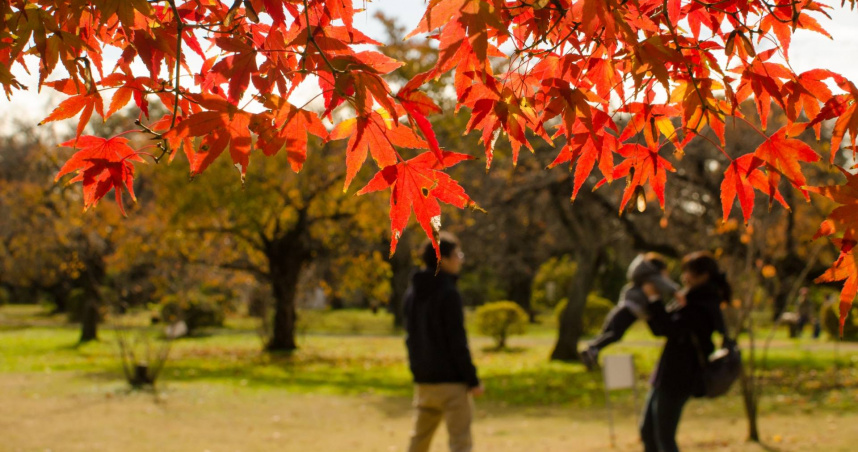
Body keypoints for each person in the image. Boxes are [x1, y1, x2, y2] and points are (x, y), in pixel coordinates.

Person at [639, 251, 729, 452]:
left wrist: (654, 299)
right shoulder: (689, 297)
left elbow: (670, 328)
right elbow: (660, 328)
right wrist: (651, 305)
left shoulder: (703, 303)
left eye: (688, 272)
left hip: (679, 377)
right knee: (648, 432)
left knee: (664, 438)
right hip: (666, 375)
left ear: (703, 275)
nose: (684, 276)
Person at [404, 233, 484, 452]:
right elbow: (457, 341)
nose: (461, 259)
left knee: (418, 441)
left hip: (424, 382)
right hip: (451, 383)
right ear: (444, 259)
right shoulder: (449, 293)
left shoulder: (412, 293)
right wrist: (472, 379)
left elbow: (410, 337)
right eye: (457, 254)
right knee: (460, 441)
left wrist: (417, 371)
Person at [580, 253, 679, 370]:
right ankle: (592, 349)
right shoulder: (653, 277)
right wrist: (677, 293)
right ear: (658, 269)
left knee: (612, 332)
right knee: (615, 333)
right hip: (630, 308)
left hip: (625, 307)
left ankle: (592, 350)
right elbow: (667, 286)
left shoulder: (641, 277)